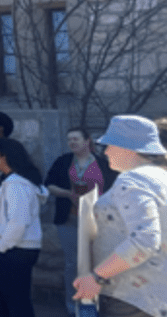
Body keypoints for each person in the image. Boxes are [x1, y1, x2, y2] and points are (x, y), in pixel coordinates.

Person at [72, 115, 167, 317]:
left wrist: (97, 277)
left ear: (127, 147)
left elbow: (145, 239)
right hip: (154, 296)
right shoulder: (161, 177)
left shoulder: (133, 179)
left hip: (132, 297)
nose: (105, 152)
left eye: (110, 145)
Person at [45, 127, 116, 317]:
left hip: (98, 222)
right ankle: (73, 305)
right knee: (73, 264)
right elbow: (48, 185)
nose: (72, 142)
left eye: (76, 139)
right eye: (69, 140)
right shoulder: (63, 162)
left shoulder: (104, 163)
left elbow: (115, 191)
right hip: (69, 218)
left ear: (87, 141)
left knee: (97, 263)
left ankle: (93, 305)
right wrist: (67, 193)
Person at [0, 137, 48, 317]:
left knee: (13, 304)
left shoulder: (16, 185)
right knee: (6, 302)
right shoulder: (7, 180)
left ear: (5, 158)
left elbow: (18, 221)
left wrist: (2, 246)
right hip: (14, 249)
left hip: (13, 250)